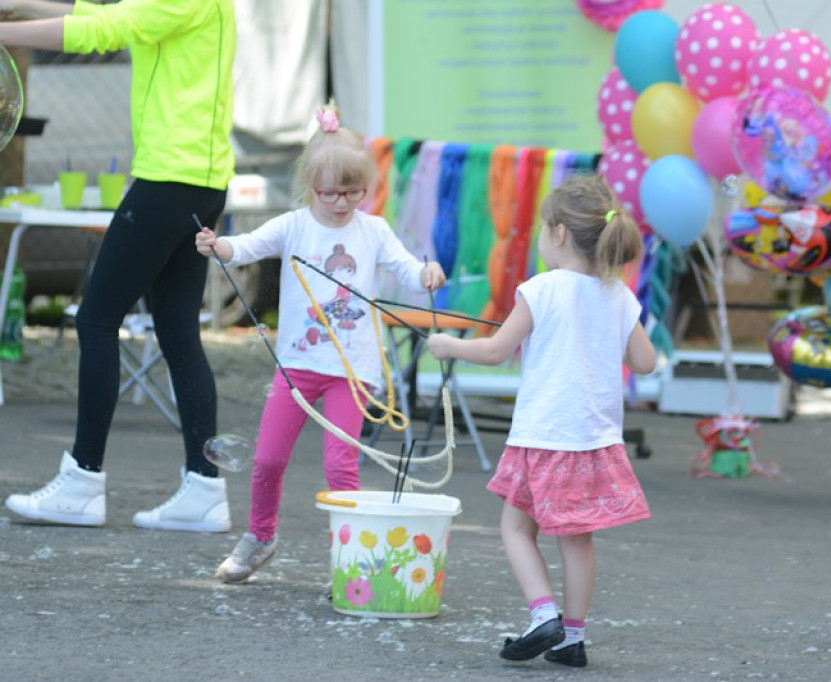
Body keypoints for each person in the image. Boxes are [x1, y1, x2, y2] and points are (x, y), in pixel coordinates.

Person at [1, 0, 237, 532]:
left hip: (171, 179)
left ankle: (83, 481)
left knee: (97, 320)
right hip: (194, 178)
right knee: (178, 334)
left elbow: (104, 29)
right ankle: (204, 490)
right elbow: (102, 11)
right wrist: (16, 5)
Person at [196, 105, 446, 584]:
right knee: (268, 459)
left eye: (354, 192)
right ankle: (260, 536)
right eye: (330, 192)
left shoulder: (372, 230)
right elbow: (243, 246)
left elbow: (406, 269)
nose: (342, 202)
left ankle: (348, 561)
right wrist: (218, 245)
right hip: (296, 365)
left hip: (351, 371)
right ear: (310, 186)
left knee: (340, 466)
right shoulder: (294, 226)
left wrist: (426, 273)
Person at [426, 174, 656, 668]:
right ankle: (572, 638)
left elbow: (494, 351)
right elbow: (645, 363)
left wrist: (447, 346)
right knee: (577, 540)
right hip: (593, 440)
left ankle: (542, 613)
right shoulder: (618, 295)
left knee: (515, 529)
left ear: (558, 234)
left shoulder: (540, 289)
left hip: (544, 435)